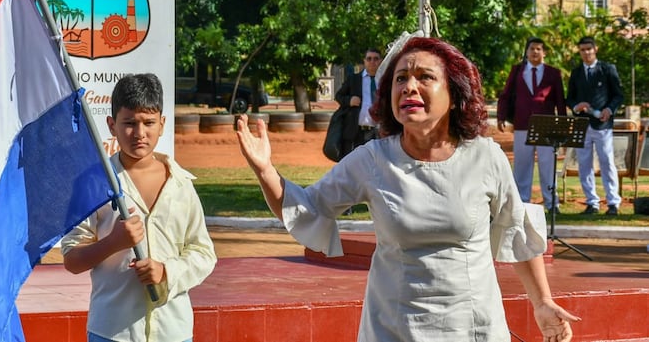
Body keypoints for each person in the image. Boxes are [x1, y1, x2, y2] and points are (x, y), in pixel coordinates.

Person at [236, 36, 579, 342]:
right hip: (393, 329)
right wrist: (265, 170)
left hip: (473, 328)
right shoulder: (373, 160)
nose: (409, 87)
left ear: (454, 94)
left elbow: (515, 229)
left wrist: (542, 302)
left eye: (425, 77)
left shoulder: (486, 157)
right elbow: (306, 206)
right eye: (401, 78)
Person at [61, 73, 216, 342]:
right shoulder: (94, 183)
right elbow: (72, 260)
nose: (140, 133)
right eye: (129, 123)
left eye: (149, 122)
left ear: (162, 124)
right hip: (113, 332)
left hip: (172, 331)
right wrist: (113, 242)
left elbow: (203, 253)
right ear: (112, 125)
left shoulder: (180, 184)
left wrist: (167, 272)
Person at [497, 37, 567, 213]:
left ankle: (552, 203)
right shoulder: (517, 71)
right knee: (522, 165)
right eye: (532, 49)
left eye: (538, 49)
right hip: (522, 124)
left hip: (546, 125)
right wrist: (501, 116)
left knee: (547, 165)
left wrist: (563, 124)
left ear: (544, 53)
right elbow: (506, 95)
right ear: (526, 52)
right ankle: (521, 203)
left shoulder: (553, 73)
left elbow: (560, 100)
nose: (535, 52)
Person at [566, 36, 625, 215]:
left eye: (589, 49)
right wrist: (576, 107)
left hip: (602, 125)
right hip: (582, 124)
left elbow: (618, 95)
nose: (586, 53)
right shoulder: (576, 73)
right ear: (579, 52)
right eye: (582, 50)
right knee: (584, 164)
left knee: (607, 162)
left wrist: (609, 109)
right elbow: (570, 98)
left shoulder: (607, 69)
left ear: (595, 49)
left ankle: (613, 202)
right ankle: (592, 202)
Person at [334, 48, 382, 158]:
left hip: (379, 133)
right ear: (364, 61)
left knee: (376, 164)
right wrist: (349, 101)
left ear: (381, 61)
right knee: (355, 164)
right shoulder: (354, 79)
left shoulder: (385, 81)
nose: (372, 62)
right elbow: (339, 96)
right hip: (356, 133)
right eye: (369, 59)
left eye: (376, 59)